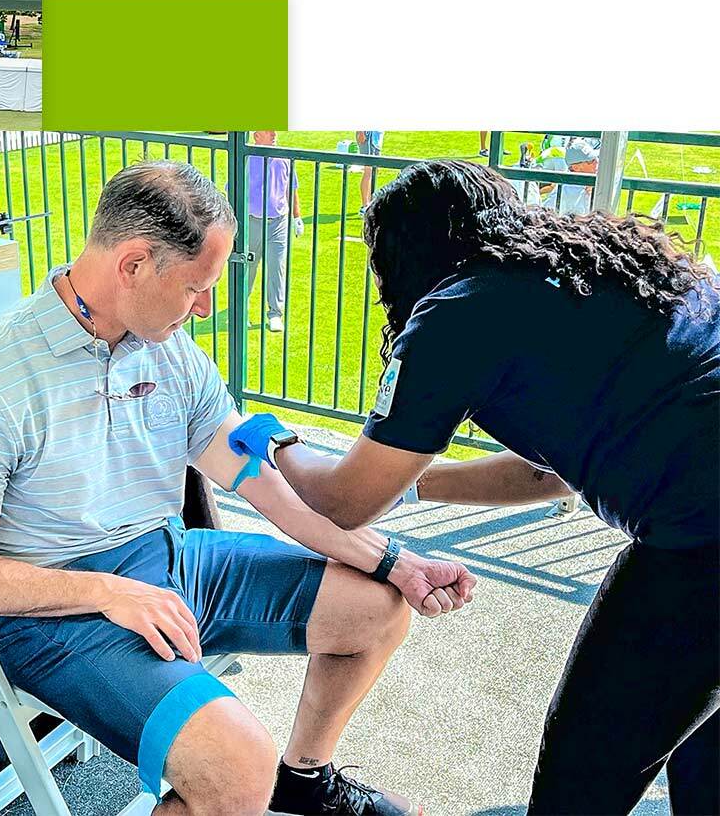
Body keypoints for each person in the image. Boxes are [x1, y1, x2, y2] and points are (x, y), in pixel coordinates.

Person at [0, 160, 474, 816]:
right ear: (133, 264)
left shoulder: (172, 352)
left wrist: (392, 561)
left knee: (377, 606)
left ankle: (305, 781)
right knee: (238, 767)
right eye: (195, 287)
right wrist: (108, 590)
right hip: (57, 612)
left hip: (169, 563)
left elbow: (271, 491)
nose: (207, 306)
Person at [265, 159, 719, 816]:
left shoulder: (456, 311)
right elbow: (555, 468)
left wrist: (280, 446)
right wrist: (417, 488)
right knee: (699, 749)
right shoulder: (581, 273)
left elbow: (343, 501)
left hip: (702, 548)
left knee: (580, 778)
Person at [246, 131, 303, 332]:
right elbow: (233, 188)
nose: (274, 134)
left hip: (278, 223)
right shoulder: (247, 157)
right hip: (251, 222)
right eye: (269, 131)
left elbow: (291, 189)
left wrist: (297, 217)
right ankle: (242, 309)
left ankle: (275, 314)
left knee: (276, 268)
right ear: (256, 135)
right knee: (248, 267)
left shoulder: (283, 157)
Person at [353, 130, 385, 209]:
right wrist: (361, 132)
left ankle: (371, 203)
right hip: (368, 135)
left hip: (376, 136)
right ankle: (364, 206)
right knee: (368, 171)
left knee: (375, 170)